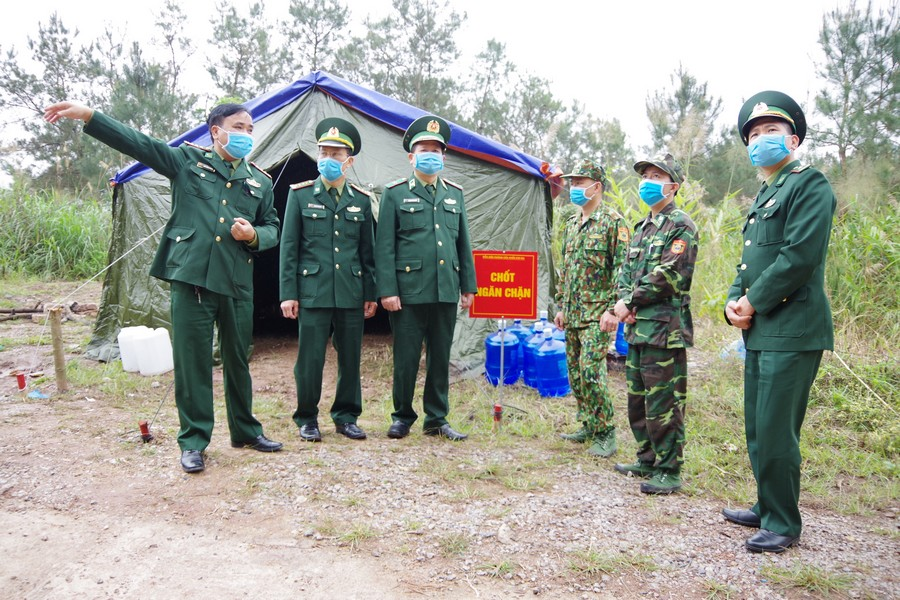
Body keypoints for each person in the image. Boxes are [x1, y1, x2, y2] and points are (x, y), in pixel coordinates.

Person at [43, 101, 283, 474]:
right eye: (239, 127)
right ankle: (193, 442)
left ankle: (246, 432)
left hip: (237, 282)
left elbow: (272, 227)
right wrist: (90, 116)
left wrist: (254, 235)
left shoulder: (260, 182)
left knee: (238, 360)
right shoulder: (187, 162)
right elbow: (140, 144)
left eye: (251, 129)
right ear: (216, 131)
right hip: (192, 281)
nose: (246, 135)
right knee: (192, 365)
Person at [722, 91, 836, 553]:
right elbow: (751, 261)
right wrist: (734, 301)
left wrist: (754, 301)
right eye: (753, 134)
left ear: (793, 138)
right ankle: (767, 506)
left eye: (770, 130)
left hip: (793, 326)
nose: (760, 140)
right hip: (763, 328)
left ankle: (784, 522)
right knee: (757, 424)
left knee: (776, 427)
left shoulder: (810, 185)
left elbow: (798, 257)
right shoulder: (768, 191)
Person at [374, 115, 476, 441]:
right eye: (424, 148)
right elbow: (384, 246)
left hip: (445, 288)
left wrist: (468, 285)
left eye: (436, 149)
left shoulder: (455, 194)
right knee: (405, 359)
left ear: (444, 156)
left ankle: (437, 417)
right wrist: (387, 289)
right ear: (411, 156)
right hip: (408, 291)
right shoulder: (394, 193)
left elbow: (463, 242)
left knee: (440, 358)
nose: (430, 154)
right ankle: (402, 416)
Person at [279, 118, 377, 442]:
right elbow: (289, 248)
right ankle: (307, 417)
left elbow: (368, 251)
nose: (328, 159)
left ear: (349, 160)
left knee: (350, 357)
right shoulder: (300, 195)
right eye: (324, 152)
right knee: (310, 359)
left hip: (351, 290)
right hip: (313, 290)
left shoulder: (361, 200)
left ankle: (346, 416)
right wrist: (287, 294)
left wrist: (371, 292)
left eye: (336, 154)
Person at [612, 153, 698, 494]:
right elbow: (626, 272)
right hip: (636, 328)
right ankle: (647, 458)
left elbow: (669, 275)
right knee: (638, 398)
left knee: (664, 401)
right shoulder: (642, 227)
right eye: (644, 175)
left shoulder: (681, 226)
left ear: (672, 187)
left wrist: (629, 301)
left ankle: (669, 469)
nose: (647, 181)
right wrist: (624, 304)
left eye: (656, 176)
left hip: (664, 331)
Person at [555, 159, 628, 457]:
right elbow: (566, 269)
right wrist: (561, 307)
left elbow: (622, 270)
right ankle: (587, 422)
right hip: (572, 313)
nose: (574, 188)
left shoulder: (613, 222)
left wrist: (612, 310)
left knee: (591, 372)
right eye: (572, 183)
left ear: (596, 187)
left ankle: (605, 432)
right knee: (575, 373)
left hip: (597, 315)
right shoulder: (571, 224)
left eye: (580, 183)